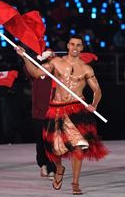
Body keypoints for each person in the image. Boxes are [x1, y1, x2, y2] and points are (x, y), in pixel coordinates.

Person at [16, 35, 108, 195]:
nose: (75, 47)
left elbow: (97, 91)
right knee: (54, 148)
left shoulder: (87, 69)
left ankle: (75, 183)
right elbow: (36, 73)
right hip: (56, 109)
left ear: (82, 48)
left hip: (77, 110)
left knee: (78, 147)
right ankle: (59, 168)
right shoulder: (56, 62)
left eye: (78, 45)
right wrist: (24, 57)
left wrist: (94, 105)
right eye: (72, 44)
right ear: (67, 45)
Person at [23, 51, 56, 180]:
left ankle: (52, 168)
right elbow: (29, 69)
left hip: (53, 111)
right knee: (40, 141)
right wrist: (25, 56)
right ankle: (42, 164)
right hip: (38, 113)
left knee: (52, 142)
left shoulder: (56, 72)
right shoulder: (34, 71)